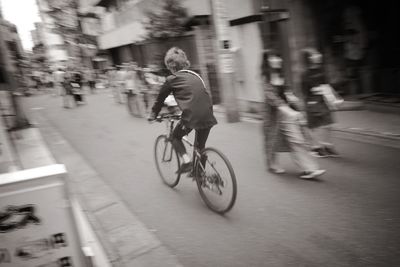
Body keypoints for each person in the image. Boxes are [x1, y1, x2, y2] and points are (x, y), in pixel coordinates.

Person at [148, 47, 217, 174]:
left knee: (175, 137)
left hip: (193, 116)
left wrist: (153, 115)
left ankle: (187, 162)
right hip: (208, 114)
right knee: (200, 147)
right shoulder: (196, 75)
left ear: (171, 65)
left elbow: (159, 100)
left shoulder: (171, 79)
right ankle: (201, 175)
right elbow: (195, 95)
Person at [261, 49, 325, 179]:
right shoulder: (265, 79)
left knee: (296, 140)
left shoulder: (282, 75)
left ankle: (309, 169)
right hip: (273, 116)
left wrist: (296, 104)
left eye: (279, 57)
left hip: (286, 114)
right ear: (267, 61)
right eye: (274, 58)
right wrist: (290, 111)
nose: (278, 60)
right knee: (272, 142)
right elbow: (272, 98)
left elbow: (288, 93)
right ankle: (272, 163)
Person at [301, 48, 340, 157]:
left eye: (318, 53)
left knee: (328, 123)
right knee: (314, 126)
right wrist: (315, 93)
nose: (319, 55)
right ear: (309, 58)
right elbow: (305, 91)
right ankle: (315, 147)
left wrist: (334, 98)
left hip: (323, 99)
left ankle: (327, 145)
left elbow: (326, 85)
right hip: (312, 101)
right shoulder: (305, 74)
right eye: (315, 54)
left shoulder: (321, 70)